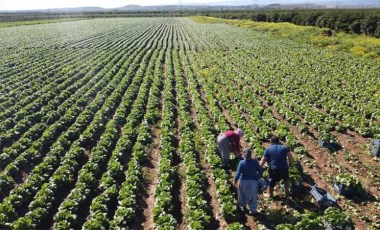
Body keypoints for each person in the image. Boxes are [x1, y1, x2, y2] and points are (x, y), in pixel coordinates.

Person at [234, 148, 263, 215]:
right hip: (253, 181)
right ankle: (252, 210)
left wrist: (235, 180)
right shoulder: (255, 162)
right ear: (250, 155)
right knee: (253, 195)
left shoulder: (241, 162)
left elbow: (238, 173)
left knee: (242, 194)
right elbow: (260, 171)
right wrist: (257, 177)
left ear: (244, 155)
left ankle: (243, 206)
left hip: (243, 181)